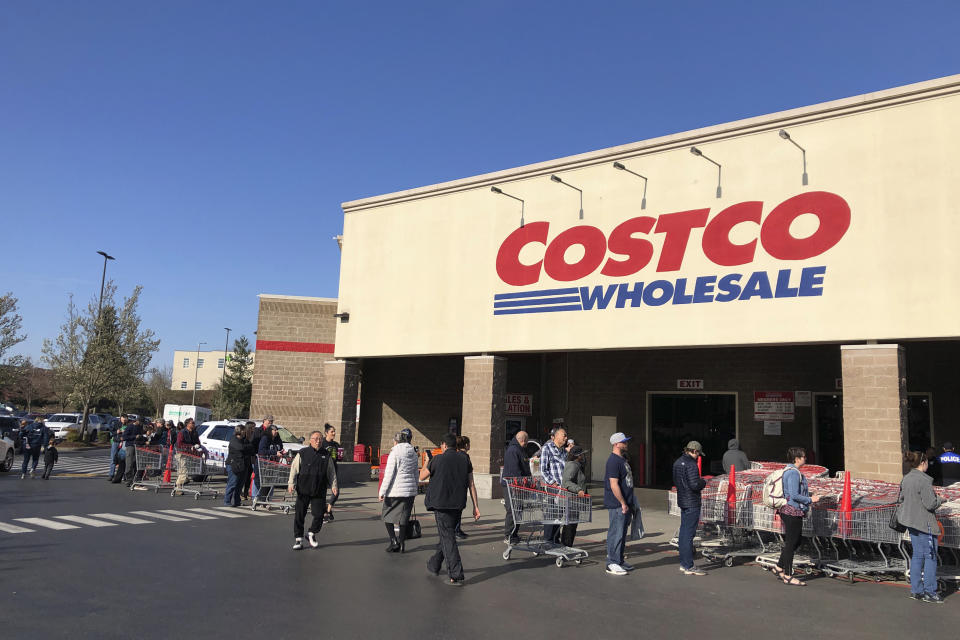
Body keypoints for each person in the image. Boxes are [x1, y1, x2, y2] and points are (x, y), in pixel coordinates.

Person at [420, 433, 480, 586]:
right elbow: (471, 484)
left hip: (441, 504)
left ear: (444, 446)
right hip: (458, 504)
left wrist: (427, 462)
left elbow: (422, 476)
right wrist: (476, 507)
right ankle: (434, 564)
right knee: (447, 535)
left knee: (447, 537)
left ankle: (456, 573)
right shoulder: (465, 459)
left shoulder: (438, 459)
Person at [897, 450, 946, 603]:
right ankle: (930, 591)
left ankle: (916, 590)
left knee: (918, 555)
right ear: (923, 463)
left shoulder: (906, 479)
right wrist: (940, 499)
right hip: (925, 524)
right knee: (930, 557)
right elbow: (930, 504)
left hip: (911, 522)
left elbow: (902, 498)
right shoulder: (924, 480)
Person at [774, 446, 821, 586]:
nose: (805, 458)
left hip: (790, 510)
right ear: (797, 458)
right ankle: (788, 575)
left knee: (796, 541)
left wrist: (809, 494)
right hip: (792, 511)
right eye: (803, 456)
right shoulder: (793, 473)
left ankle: (779, 567)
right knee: (791, 543)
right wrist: (810, 500)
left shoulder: (790, 471)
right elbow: (794, 495)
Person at [286, 431, 339, 550]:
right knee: (300, 514)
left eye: (320, 438)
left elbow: (331, 472)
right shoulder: (303, 453)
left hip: (319, 490)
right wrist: (291, 483)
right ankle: (298, 539)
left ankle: (311, 533)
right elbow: (294, 468)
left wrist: (334, 485)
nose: (318, 441)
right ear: (310, 440)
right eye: (315, 438)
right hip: (303, 489)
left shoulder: (326, 455)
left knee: (319, 514)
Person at [378, 428, 419, 552]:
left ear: (396, 441)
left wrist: (382, 491)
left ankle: (393, 541)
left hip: (395, 491)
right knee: (404, 518)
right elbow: (415, 473)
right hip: (409, 491)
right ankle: (402, 543)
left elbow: (389, 474)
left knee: (387, 515)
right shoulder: (413, 452)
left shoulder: (395, 452)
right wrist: (415, 487)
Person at [673, 440, 707, 576]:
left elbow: (677, 481)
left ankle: (684, 563)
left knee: (683, 533)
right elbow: (694, 484)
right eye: (698, 453)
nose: (699, 456)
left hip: (682, 500)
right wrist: (703, 482)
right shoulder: (691, 465)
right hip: (692, 502)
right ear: (694, 451)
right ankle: (688, 565)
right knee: (688, 534)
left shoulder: (677, 462)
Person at [604, 433, 636, 575]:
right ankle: (612, 562)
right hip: (618, 504)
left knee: (622, 533)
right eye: (624, 442)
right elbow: (613, 484)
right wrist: (622, 502)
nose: (626, 444)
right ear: (617, 444)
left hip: (626, 503)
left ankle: (619, 560)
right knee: (616, 533)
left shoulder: (621, 459)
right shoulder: (613, 461)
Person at [540, 426, 570, 544]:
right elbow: (543, 469)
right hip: (553, 488)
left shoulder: (563, 450)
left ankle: (555, 538)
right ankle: (548, 539)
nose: (566, 438)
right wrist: (553, 483)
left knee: (559, 514)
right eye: (564, 435)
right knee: (552, 513)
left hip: (563, 488)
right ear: (556, 436)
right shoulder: (547, 448)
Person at [501, 430, 530, 544]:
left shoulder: (519, 449)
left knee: (517, 510)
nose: (527, 444)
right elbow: (514, 471)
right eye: (526, 441)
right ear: (523, 440)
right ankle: (509, 535)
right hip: (512, 485)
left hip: (517, 485)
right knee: (512, 510)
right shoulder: (514, 450)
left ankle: (514, 534)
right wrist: (521, 483)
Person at [561, 445, 588, 548]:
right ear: (578, 456)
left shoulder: (577, 465)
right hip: (571, 500)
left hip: (574, 501)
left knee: (572, 525)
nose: (584, 456)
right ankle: (566, 546)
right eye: (582, 454)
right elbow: (566, 482)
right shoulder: (573, 465)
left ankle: (567, 546)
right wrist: (578, 489)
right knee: (570, 526)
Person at [454, 436, 479, 539]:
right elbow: (471, 482)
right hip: (460, 487)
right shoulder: (466, 458)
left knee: (455, 511)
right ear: (466, 445)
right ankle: (456, 530)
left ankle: (456, 529)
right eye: (469, 443)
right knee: (458, 510)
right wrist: (475, 505)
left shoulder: (454, 455)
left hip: (451, 487)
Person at [224, 425, 252, 507]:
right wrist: (247, 447)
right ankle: (227, 501)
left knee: (240, 484)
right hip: (234, 464)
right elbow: (241, 448)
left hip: (243, 464)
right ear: (240, 431)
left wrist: (248, 447)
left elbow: (251, 447)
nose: (245, 432)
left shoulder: (244, 440)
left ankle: (237, 501)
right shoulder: (234, 439)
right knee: (232, 483)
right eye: (244, 430)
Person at [174, 418, 203, 494]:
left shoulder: (195, 433)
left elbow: (198, 442)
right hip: (182, 453)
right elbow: (179, 444)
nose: (193, 424)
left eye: (194, 423)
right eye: (192, 423)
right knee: (183, 470)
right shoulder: (182, 432)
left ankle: (182, 481)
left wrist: (197, 446)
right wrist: (190, 446)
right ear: (187, 424)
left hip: (190, 454)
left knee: (184, 471)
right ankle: (178, 488)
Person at [320, 424, 341, 521]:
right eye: (332, 431)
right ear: (326, 433)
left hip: (333, 470)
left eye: (334, 431)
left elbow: (339, 458)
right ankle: (325, 513)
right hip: (323, 470)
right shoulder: (322, 443)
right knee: (322, 492)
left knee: (336, 491)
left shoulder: (336, 445)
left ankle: (329, 509)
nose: (334, 433)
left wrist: (340, 456)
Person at [122, 417, 143, 487]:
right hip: (130, 446)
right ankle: (128, 479)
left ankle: (135, 478)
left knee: (136, 463)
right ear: (137, 421)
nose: (141, 424)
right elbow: (124, 437)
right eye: (140, 422)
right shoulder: (130, 427)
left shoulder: (140, 427)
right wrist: (134, 436)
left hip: (137, 446)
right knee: (129, 463)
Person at [241, 421, 256, 500]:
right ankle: (241, 493)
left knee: (248, 477)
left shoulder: (252, 435)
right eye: (253, 427)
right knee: (243, 477)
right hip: (244, 459)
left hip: (250, 459)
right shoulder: (244, 435)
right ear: (249, 428)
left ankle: (246, 493)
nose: (254, 429)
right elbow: (244, 446)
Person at [107, 416, 126, 481]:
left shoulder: (127, 425)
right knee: (113, 458)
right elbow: (112, 432)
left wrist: (124, 433)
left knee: (122, 459)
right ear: (121, 418)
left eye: (125, 420)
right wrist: (117, 432)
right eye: (123, 419)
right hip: (116, 442)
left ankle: (123, 475)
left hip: (123, 443)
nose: (124, 421)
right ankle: (111, 474)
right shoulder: (116, 424)